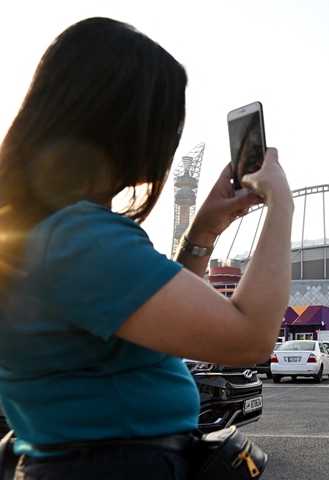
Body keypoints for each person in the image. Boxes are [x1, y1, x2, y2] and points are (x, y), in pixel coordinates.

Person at [0, 17, 293, 480]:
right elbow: (250, 338)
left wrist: (204, 231)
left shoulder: (40, 231)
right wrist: (281, 203)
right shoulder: (84, 238)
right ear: (128, 126)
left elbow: (154, 317)